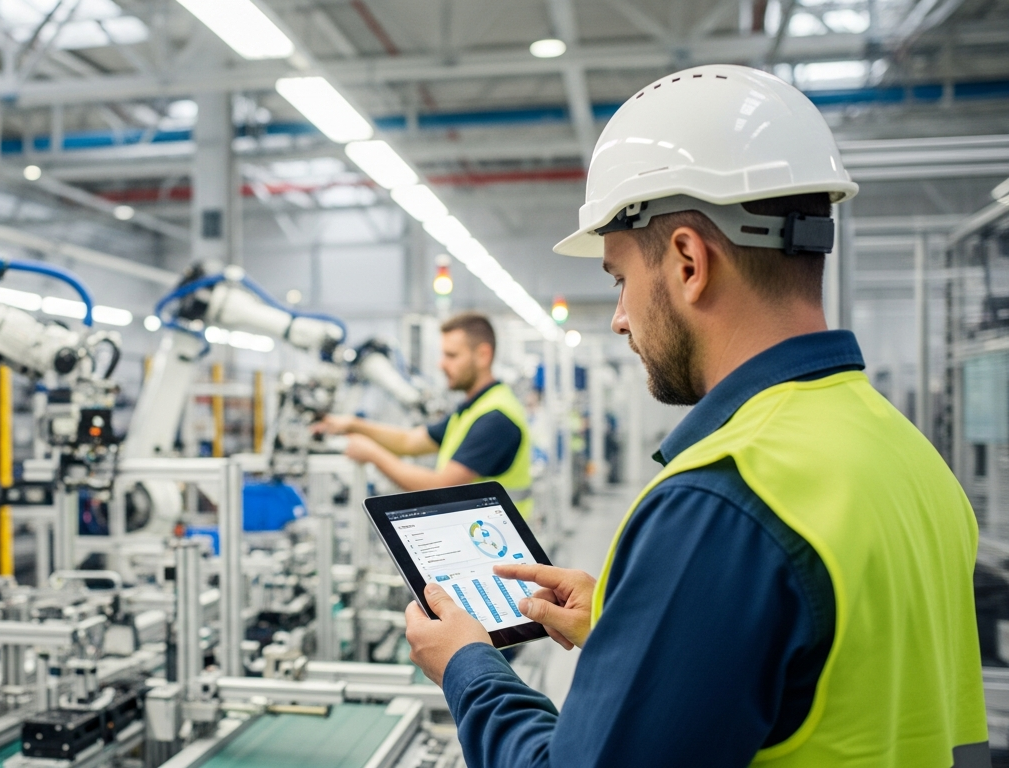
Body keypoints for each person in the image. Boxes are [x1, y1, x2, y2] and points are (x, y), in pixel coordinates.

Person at [403, 64, 988, 768]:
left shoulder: (722, 501)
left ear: (686, 261)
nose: (619, 319)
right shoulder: (910, 457)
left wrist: (468, 666)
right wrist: (634, 627)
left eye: (620, 279)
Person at [313, 312, 532, 516]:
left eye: (452, 356)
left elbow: (440, 488)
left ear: (483, 355)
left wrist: (372, 454)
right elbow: (410, 441)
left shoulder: (495, 418)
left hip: (500, 547)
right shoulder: (475, 408)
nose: (441, 364)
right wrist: (353, 425)